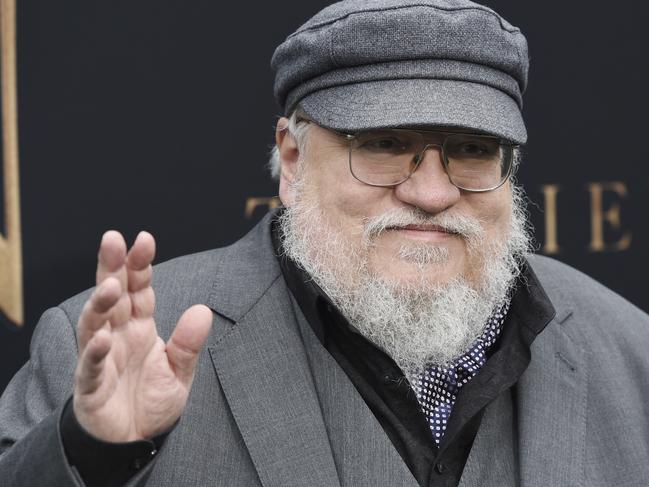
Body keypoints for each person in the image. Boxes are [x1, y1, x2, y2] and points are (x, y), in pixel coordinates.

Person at [1, 0, 648, 485]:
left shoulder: (629, 352)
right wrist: (93, 452)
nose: (429, 192)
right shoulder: (108, 352)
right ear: (291, 157)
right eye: (384, 145)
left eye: (471, 151)